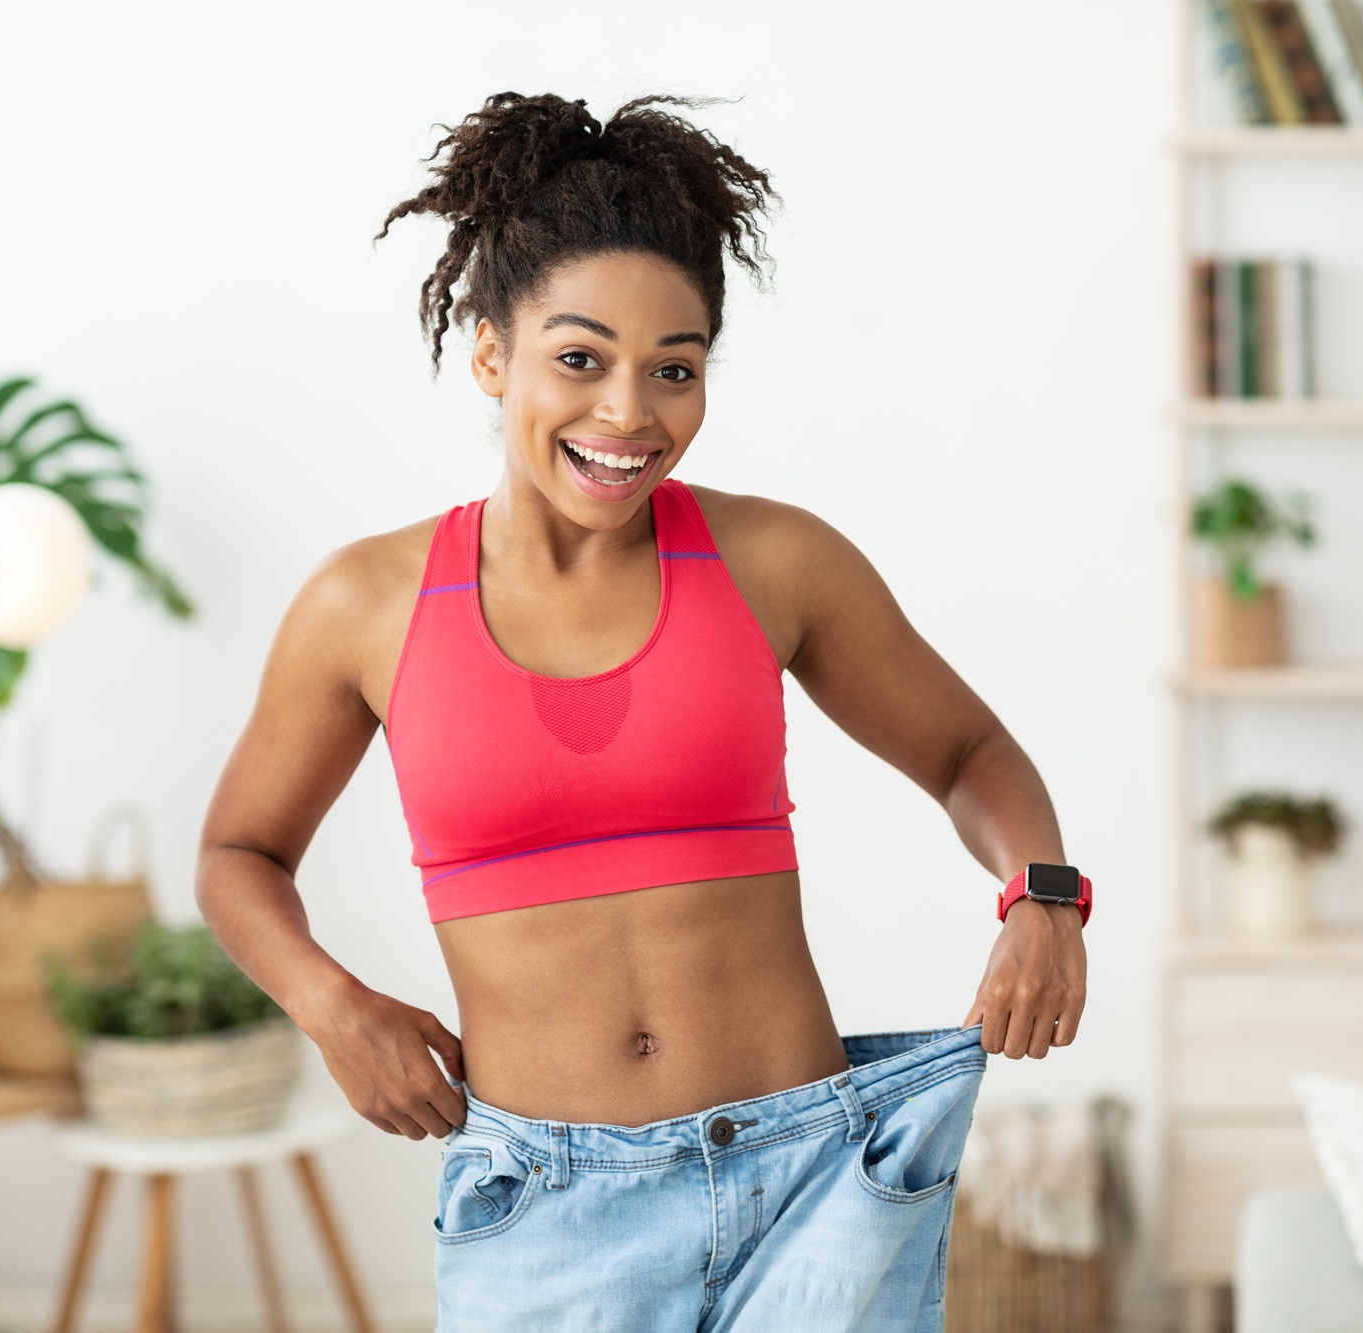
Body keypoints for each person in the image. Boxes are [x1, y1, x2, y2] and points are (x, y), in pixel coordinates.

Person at [196, 92, 1091, 1332]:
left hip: (812, 1183)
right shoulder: (366, 604)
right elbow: (239, 852)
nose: (628, 412)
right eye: (580, 359)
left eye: (674, 368)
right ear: (491, 354)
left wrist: (1042, 894)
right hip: (549, 1210)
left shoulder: (775, 562)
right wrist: (329, 1004)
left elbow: (964, 748)